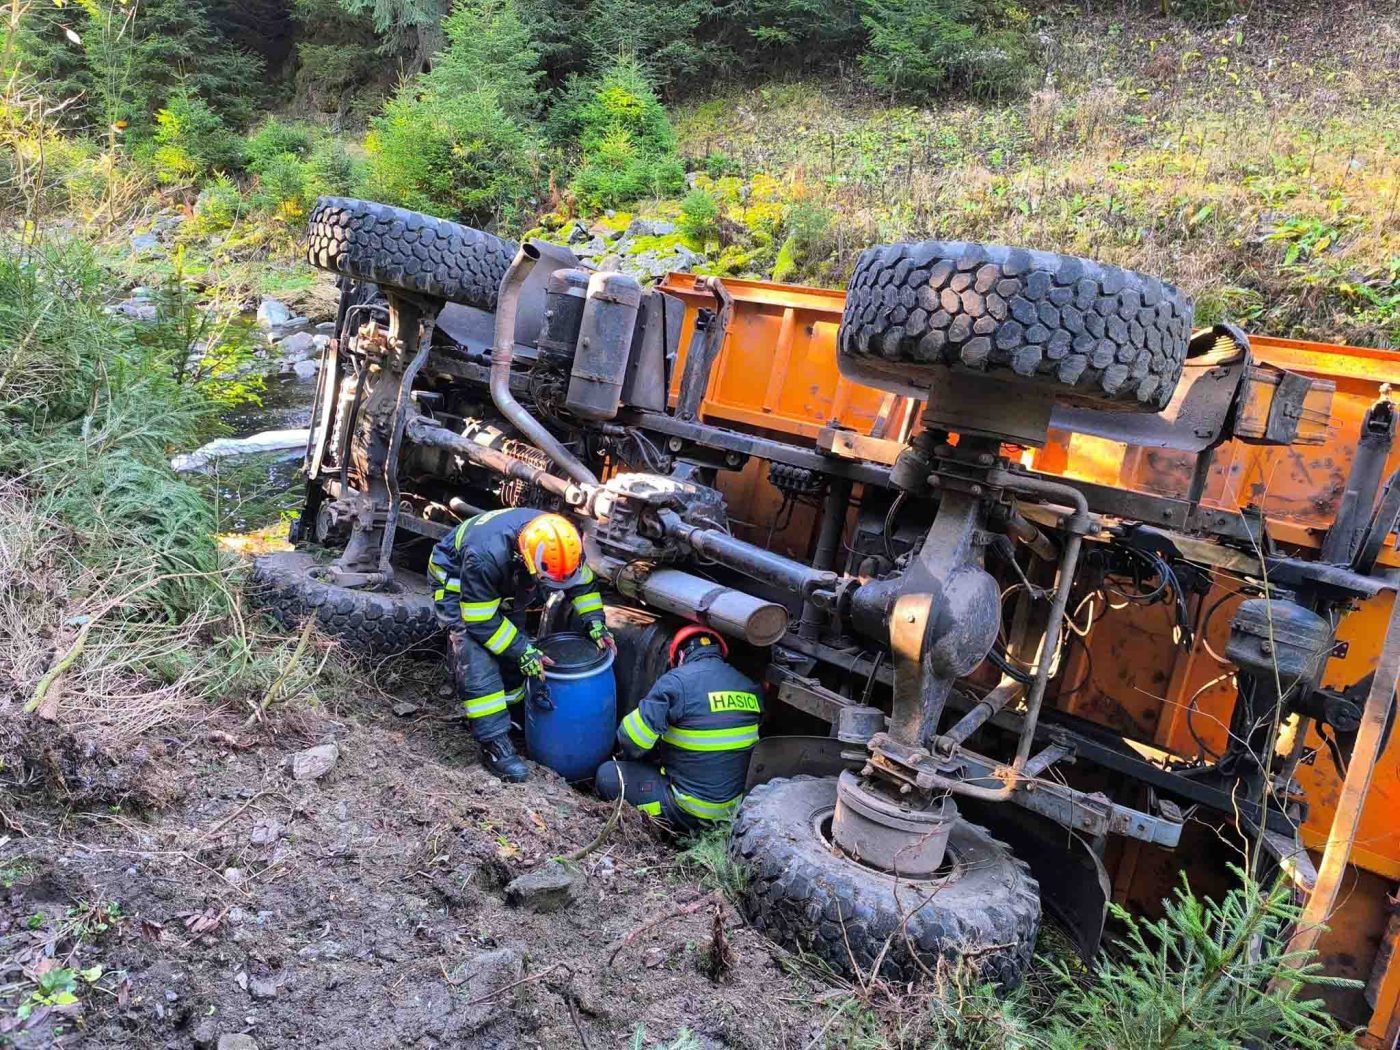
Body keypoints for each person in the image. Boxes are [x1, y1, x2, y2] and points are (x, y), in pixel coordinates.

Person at [428, 508, 614, 782]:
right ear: (527, 561)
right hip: (456, 576)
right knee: (476, 650)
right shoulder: (484, 557)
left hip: (505, 579)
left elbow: (582, 584)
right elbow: (480, 621)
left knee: (514, 643)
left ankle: (515, 715)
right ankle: (494, 744)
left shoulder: (563, 544)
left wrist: (595, 623)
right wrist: (522, 650)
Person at [595, 625, 762, 830]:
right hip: (731, 812)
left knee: (607, 775)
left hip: (688, 812)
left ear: (681, 655)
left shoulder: (677, 681)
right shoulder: (750, 687)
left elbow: (632, 740)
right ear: (720, 654)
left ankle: (669, 829)